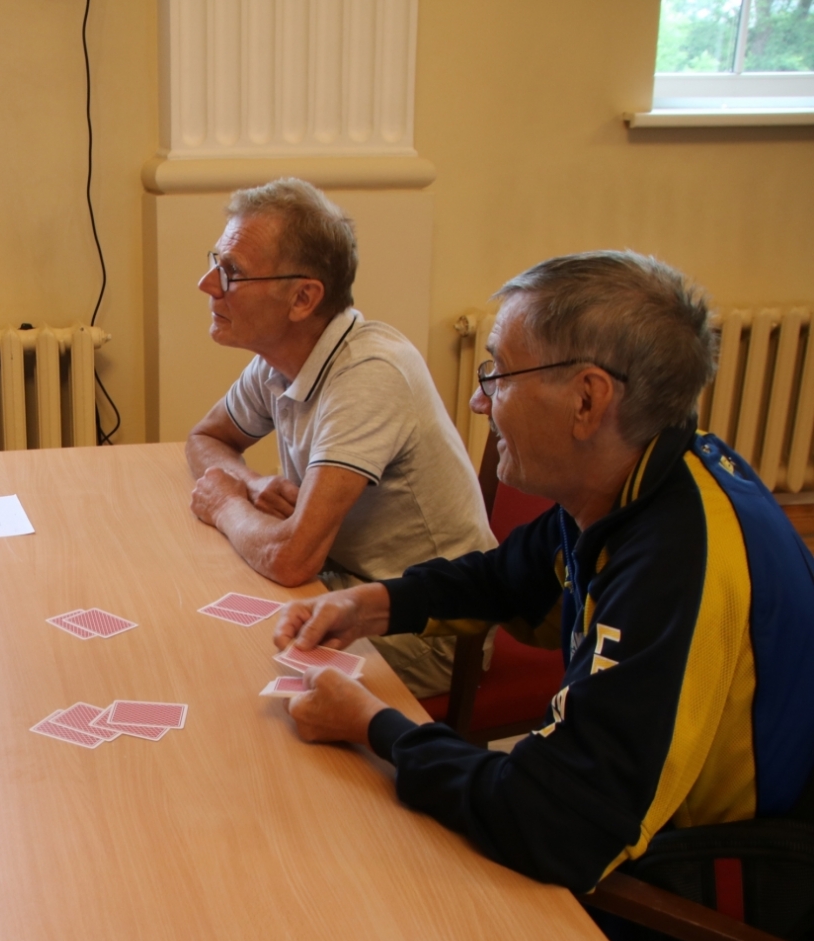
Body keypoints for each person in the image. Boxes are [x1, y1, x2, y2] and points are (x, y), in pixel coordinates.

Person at [276, 250, 814, 892]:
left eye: (498, 372)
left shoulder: (674, 566)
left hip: (726, 894)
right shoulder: (642, 478)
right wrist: (369, 605)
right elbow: (507, 576)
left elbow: (554, 822)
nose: (478, 401)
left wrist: (373, 725)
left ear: (587, 400)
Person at [185, 178, 494, 698]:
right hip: (340, 587)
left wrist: (223, 504)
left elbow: (292, 558)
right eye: (216, 261)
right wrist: (250, 484)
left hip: (429, 633)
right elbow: (206, 438)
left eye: (232, 272)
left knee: (224, 672)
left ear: (303, 298)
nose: (207, 284)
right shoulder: (279, 358)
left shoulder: (369, 375)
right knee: (198, 627)